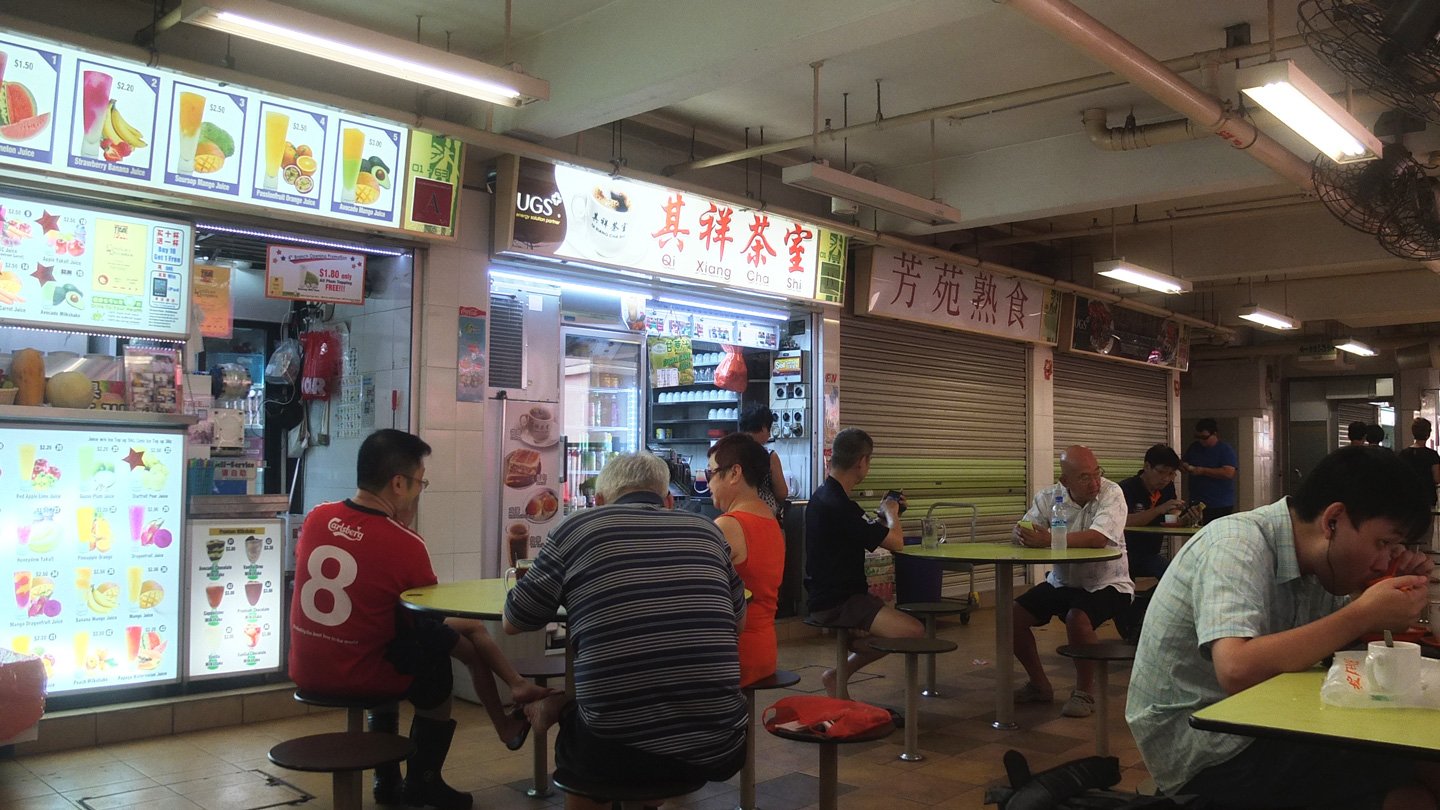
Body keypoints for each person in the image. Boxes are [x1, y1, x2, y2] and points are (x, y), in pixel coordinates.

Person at [1126, 446, 1438, 809]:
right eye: (1383, 543)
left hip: (1266, 718)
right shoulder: (1235, 544)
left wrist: (1382, 588)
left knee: (1426, 756)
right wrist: (1364, 612)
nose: (1385, 559)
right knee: (1412, 792)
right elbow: (1236, 668)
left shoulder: (1318, 563)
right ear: (1333, 520)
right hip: (1203, 744)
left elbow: (1332, 644)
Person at [289, 429, 551, 810]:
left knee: (433, 639)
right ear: (399, 484)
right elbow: (427, 615)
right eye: (420, 482)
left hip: (307, 666)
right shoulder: (405, 543)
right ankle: (423, 781)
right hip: (360, 670)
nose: (419, 492)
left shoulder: (317, 517)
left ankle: (387, 778)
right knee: (434, 662)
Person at [503, 453, 746, 810]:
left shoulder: (575, 529)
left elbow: (514, 621)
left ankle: (559, 708)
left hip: (611, 748)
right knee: (632, 726)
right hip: (720, 741)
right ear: (667, 500)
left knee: (604, 739)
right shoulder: (708, 531)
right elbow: (738, 623)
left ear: (599, 501)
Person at [1011, 445, 1132, 718]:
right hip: (1062, 582)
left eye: (1097, 473)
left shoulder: (1112, 493)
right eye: (1084, 477)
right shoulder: (1048, 498)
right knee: (1012, 616)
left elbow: (1098, 538)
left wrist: (1047, 539)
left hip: (1108, 583)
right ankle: (1039, 685)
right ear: (1065, 481)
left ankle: (1084, 692)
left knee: (1077, 618)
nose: (1094, 482)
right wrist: (1021, 535)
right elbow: (1024, 528)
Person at [804, 427, 924, 696]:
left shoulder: (824, 496)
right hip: (841, 602)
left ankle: (841, 669)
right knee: (914, 631)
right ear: (862, 462)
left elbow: (866, 531)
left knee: (895, 628)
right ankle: (840, 671)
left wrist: (884, 516)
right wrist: (891, 513)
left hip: (828, 597)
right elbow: (897, 542)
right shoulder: (841, 506)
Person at [708, 433, 785, 686]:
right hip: (765, 648)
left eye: (711, 473)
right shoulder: (770, 520)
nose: (708, 484)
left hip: (734, 653)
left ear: (734, 473)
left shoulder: (728, 525)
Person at [1116, 443, 1188, 579]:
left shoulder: (1167, 488)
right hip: (1125, 553)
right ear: (1147, 466)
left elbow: (1171, 514)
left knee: (1179, 574)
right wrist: (1159, 509)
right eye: (1161, 472)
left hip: (1151, 553)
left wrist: (1184, 518)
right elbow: (1123, 521)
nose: (1166, 479)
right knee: (1170, 574)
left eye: (1171, 474)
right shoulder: (1126, 488)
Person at [1180, 418, 1238, 521]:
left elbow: (1229, 473)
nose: (1201, 440)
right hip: (1197, 501)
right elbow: (1183, 463)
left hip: (1219, 503)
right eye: (1198, 437)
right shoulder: (1194, 447)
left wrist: (1203, 471)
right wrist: (1184, 466)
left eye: (1204, 437)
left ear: (1214, 434)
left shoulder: (1224, 449)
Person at [738, 404, 790, 518]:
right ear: (763, 427)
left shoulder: (730, 453)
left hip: (738, 514)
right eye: (769, 429)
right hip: (764, 515)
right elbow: (782, 493)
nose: (769, 434)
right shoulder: (769, 456)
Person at [1399, 417, 1440, 500]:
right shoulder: (1432, 455)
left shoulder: (1403, 454)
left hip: (1408, 494)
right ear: (1428, 434)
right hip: (1427, 495)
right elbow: (1437, 478)